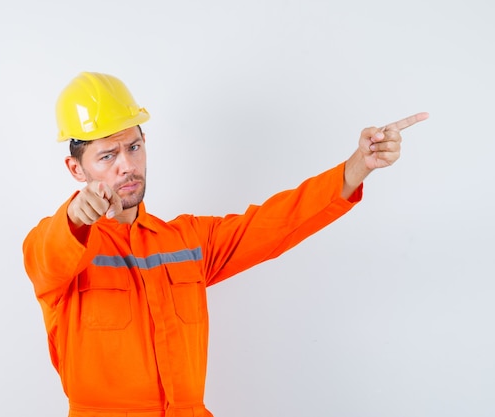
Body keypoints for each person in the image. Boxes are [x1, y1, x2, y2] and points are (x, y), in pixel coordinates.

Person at [23, 71, 428, 417]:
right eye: (107, 155)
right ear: (76, 168)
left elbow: (273, 224)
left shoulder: (185, 242)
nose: (126, 165)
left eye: (134, 147)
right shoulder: (58, 250)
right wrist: (77, 216)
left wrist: (357, 168)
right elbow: (48, 254)